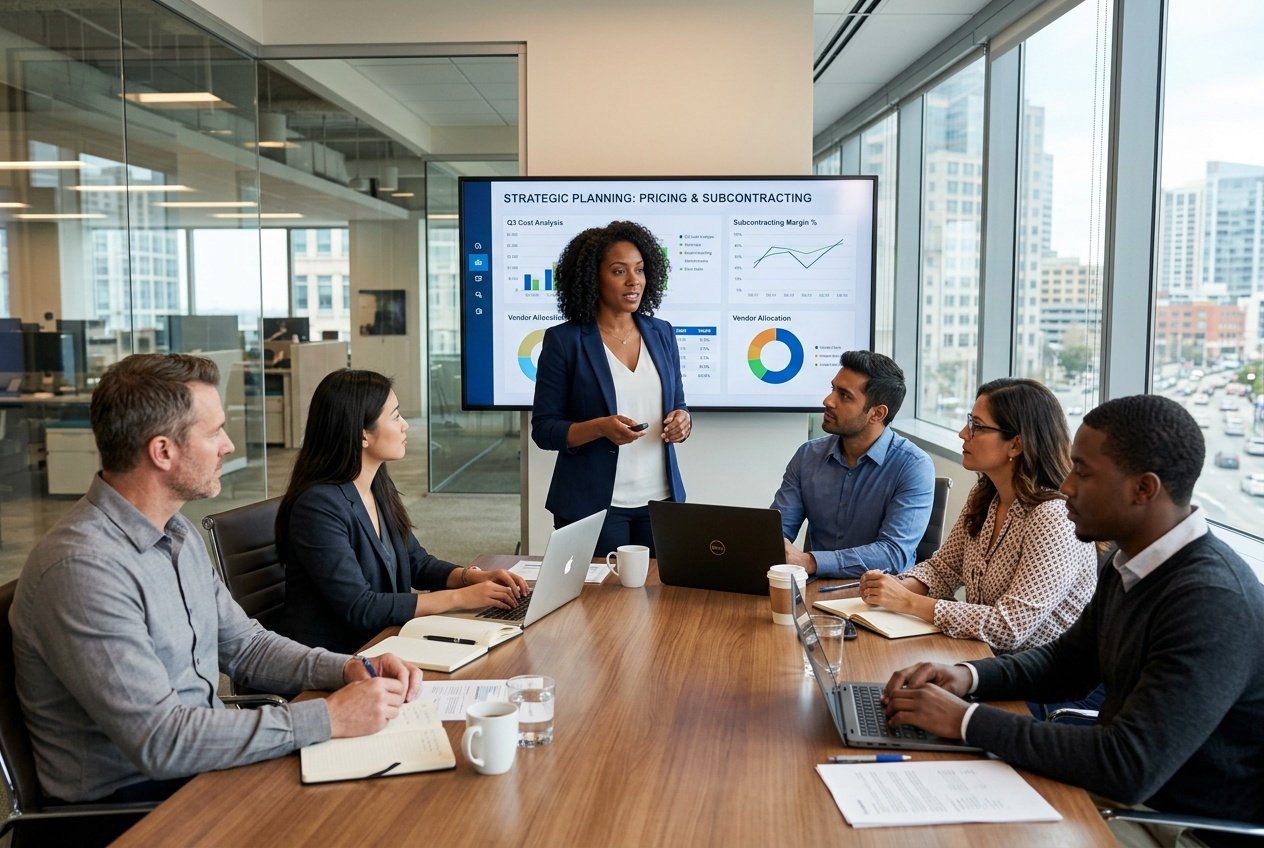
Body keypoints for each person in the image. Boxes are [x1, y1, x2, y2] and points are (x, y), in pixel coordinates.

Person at [9, 354, 422, 813]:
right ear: (163, 451)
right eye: (214, 433)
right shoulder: (83, 569)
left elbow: (247, 647)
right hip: (134, 807)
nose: (228, 445)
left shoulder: (175, 532)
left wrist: (349, 669)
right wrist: (328, 717)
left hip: (202, 767)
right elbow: (161, 741)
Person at [881, 395, 1264, 838]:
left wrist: (965, 720)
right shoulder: (1131, 562)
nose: (1066, 486)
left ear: (1144, 489)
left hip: (1178, 827)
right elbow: (1066, 663)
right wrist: (967, 677)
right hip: (1122, 796)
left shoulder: (1211, 601)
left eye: (1082, 472)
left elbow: (1127, 765)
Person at [277, 369, 528, 654]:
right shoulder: (318, 507)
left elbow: (415, 562)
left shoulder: (377, 485)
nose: (405, 425)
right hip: (341, 658)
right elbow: (360, 607)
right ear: (362, 434)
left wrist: (470, 577)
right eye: (395, 416)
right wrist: (461, 598)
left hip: (386, 640)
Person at [856, 378, 1097, 653]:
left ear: (1016, 445)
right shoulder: (986, 496)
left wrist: (907, 601)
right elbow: (943, 570)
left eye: (977, 427)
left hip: (1038, 676)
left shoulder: (1054, 518)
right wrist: (891, 587)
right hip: (984, 657)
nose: (963, 433)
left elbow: (1008, 627)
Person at [531, 220, 691, 555]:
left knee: (661, 588)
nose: (634, 281)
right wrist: (600, 428)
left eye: (640, 269)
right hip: (593, 505)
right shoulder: (564, 341)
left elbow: (678, 404)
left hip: (660, 502)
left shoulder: (662, 333)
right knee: (600, 591)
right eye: (619, 271)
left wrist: (683, 421)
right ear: (593, 278)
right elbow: (544, 430)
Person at [771, 350, 934, 579]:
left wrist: (810, 561)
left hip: (881, 594)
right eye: (833, 389)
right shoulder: (808, 456)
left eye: (844, 396)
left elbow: (893, 554)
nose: (828, 401)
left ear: (877, 413)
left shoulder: (913, 466)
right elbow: (776, 532)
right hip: (815, 589)